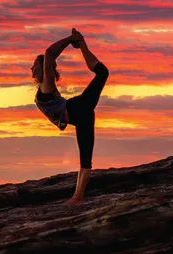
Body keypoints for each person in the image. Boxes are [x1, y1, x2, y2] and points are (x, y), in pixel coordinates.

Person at [31, 28, 109, 206]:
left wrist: (70, 39)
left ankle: (81, 44)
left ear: (43, 69)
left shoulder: (47, 83)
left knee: (103, 73)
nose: (31, 67)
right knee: (86, 161)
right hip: (82, 117)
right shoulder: (44, 88)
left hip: (79, 109)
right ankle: (77, 198)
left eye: (35, 64)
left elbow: (49, 53)